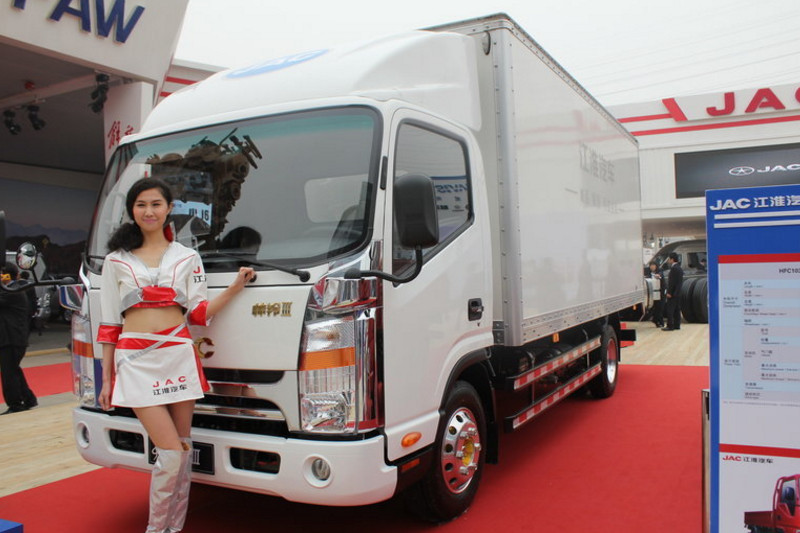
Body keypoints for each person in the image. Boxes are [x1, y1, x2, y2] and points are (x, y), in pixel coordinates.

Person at [97, 177, 255, 533]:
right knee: (169, 451)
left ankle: (173, 527)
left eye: (156, 204)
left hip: (178, 353)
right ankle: (156, 529)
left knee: (182, 449)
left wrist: (235, 287)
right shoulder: (115, 260)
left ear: (169, 208)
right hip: (135, 360)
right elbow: (109, 324)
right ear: (132, 211)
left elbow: (198, 314)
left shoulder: (187, 257)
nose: (148, 211)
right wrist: (107, 379)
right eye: (141, 205)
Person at [0, 262, 38, 414]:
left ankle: (15, 403)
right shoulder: (10, 290)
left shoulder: (13, 291)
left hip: (12, 338)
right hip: (11, 338)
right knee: (13, 370)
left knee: (8, 372)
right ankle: (28, 398)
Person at [662, 252, 684, 331]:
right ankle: (677, 325)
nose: (668, 261)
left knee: (670, 310)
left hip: (672, 293)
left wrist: (669, 292)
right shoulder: (679, 268)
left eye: (669, 259)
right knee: (677, 309)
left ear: (672, 259)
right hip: (678, 292)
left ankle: (670, 326)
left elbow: (672, 282)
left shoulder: (674, 268)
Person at [647, 261, 665, 328]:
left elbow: (660, 275)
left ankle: (660, 322)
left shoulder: (660, 271)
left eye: (653, 265)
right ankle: (657, 321)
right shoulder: (648, 273)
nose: (652, 267)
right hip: (652, 294)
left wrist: (658, 275)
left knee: (660, 308)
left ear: (656, 266)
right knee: (654, 308)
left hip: (660, 293)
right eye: (651, 265)